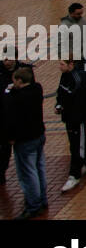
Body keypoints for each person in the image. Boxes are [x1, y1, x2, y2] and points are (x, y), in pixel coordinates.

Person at [5, 66, 48, 218]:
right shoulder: (37, 89)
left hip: (24, 140)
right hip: (39, 135)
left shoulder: (16, 98)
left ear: (19, 81)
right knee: (39, 168)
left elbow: (10, 116)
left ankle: (33, 205)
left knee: (27, 173)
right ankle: (43, 199)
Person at [55, 58, 86, 192]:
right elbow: (61, 92)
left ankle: (74, 174)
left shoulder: (78, 80)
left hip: (77, 117)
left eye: (62, 64)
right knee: (80, 139)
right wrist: (59, 104)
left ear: (71, 65)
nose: (59, 66)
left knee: (76, 145)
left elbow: (79, 102)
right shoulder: (65, 75)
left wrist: (77, 119)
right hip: (69, 116)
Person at [0, 51, 33, 186]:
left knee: (24, 156)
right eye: (4, 59)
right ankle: (1, 172)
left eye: (9, 58)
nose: (6, 61)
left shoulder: (25, 70)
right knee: (3, 149)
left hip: (18, 119)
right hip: (3, 116)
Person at [59, 2, 86, 81]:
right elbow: (60, 43)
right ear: (71, 13)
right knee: (75, 76)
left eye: (81, 13)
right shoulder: (64, 26)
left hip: (84, 54)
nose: (80, 15)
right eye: (78, 14)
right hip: (73, 58)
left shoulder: (84, 22)